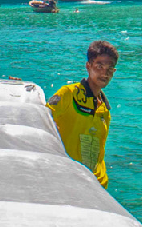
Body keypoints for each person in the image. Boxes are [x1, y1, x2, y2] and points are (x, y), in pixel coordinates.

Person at [48, 40, 118, 186]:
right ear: (88, 66)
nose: (104, 73)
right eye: (99, 66)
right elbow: (41, 117)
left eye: (109, 68)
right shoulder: (69, 94)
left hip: (96, 184)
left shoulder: (104, 110)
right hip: (68, 179)